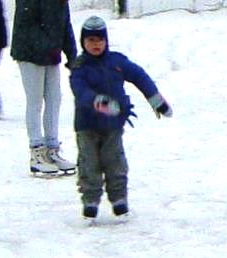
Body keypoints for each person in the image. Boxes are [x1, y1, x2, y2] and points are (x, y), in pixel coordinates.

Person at [68, 17, 170, 220]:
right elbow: (80, 91)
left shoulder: (117, 62)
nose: (95, 44)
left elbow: (140, 77)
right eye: (90, 41)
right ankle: (90, 200)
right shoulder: (79, 68)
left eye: (99, 40)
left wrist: (156, 100)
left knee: (114, 161)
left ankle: (119, 199)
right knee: (89, 163)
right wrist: (98, 102)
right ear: (83, 43)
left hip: (113, 124)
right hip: (87, 124)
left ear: (106, 41)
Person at [11, 0, 74, 177]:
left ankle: (52, 147)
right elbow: (27, 23)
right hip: (30, 53)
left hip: (51, 53)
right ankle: (36, 151)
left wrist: (70, 52)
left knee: (55, 98)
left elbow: (64, 22)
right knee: (35, 100)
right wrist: (46, 46)